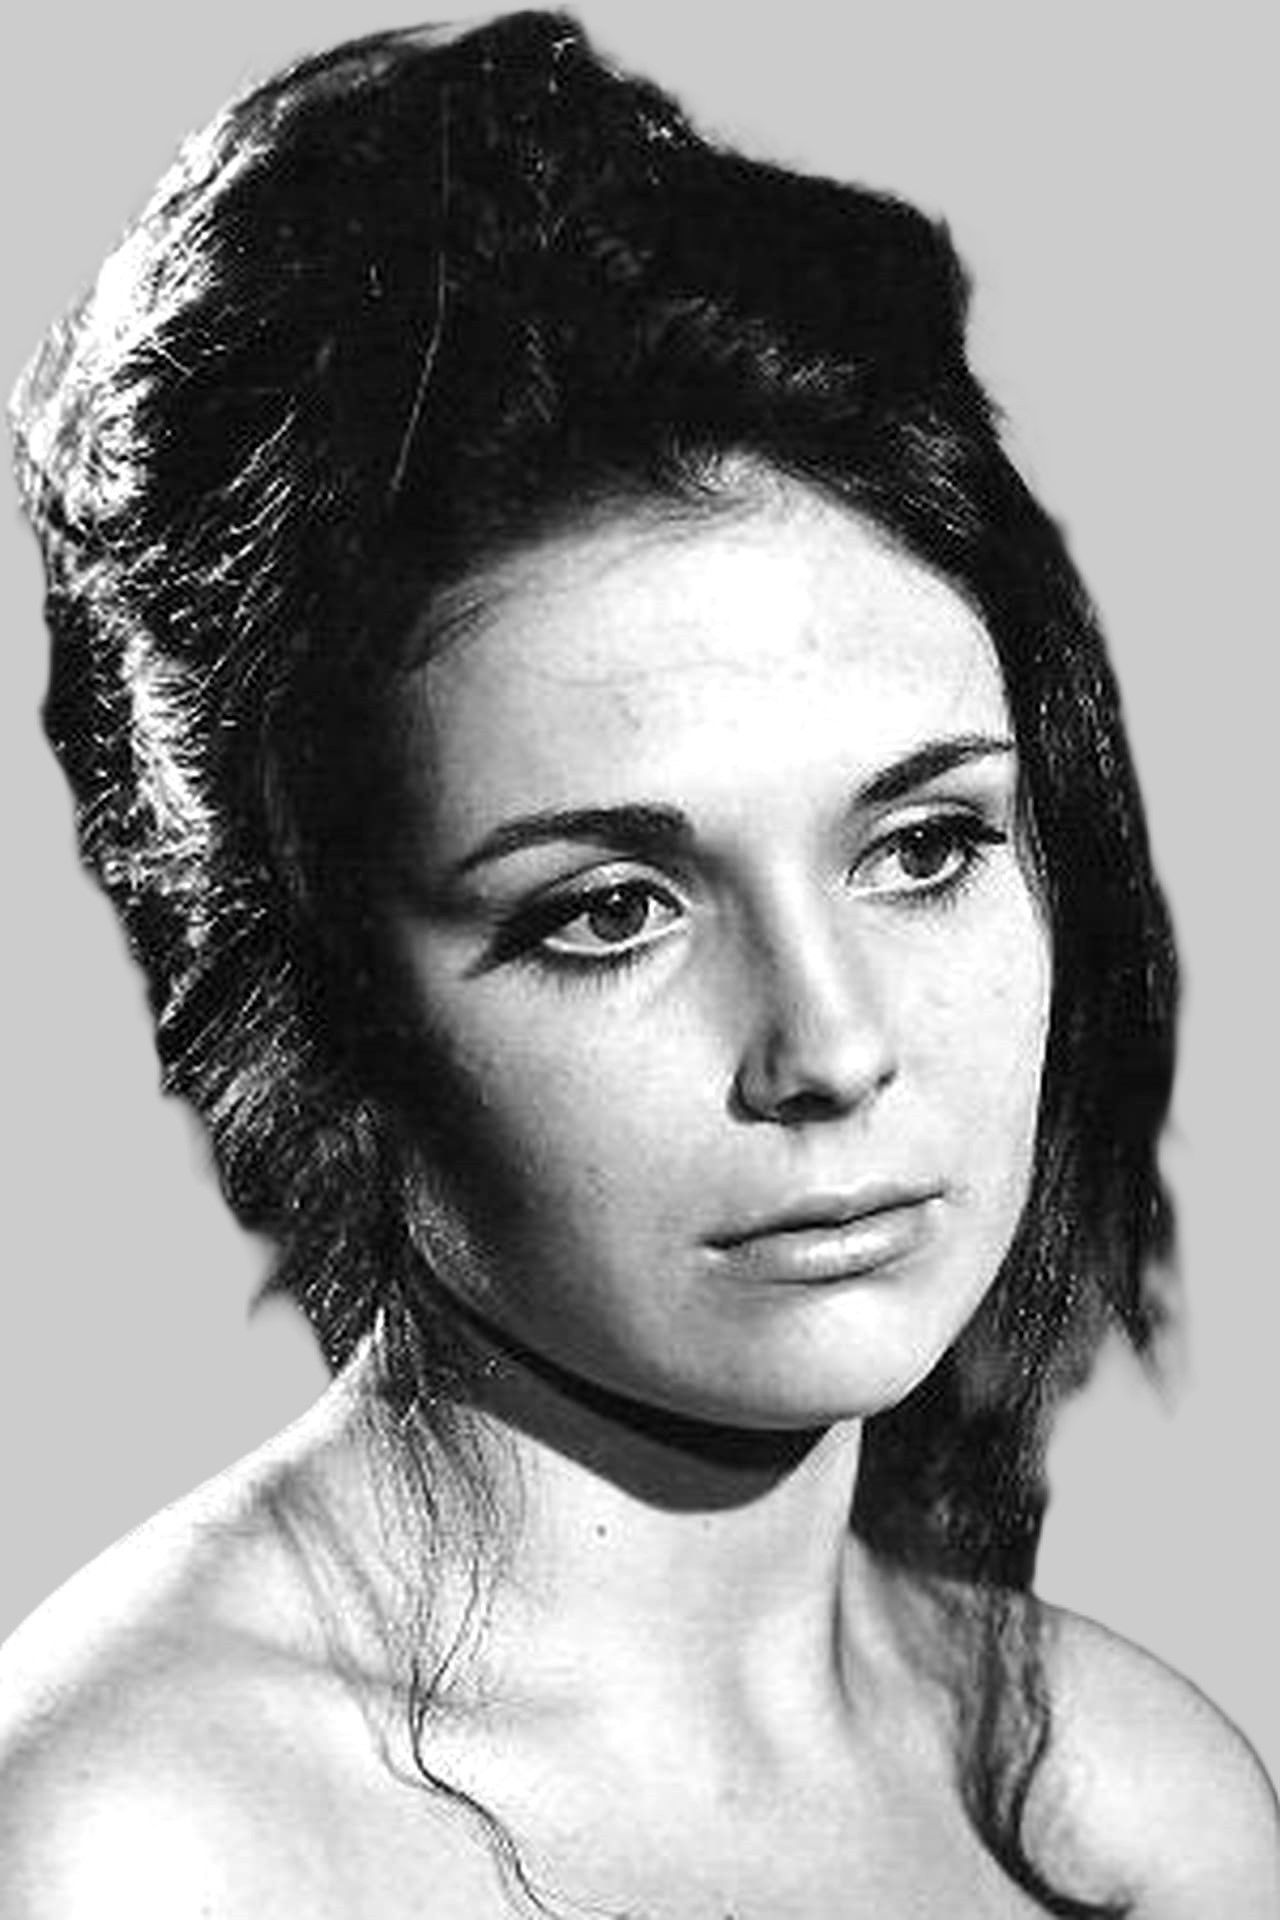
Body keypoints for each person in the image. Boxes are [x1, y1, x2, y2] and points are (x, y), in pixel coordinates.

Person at [1, 12, 1275, 1915]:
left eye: (923, 850)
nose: (831, 1045)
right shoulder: (138, 1852)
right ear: (316, 989)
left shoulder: (1128, 1799)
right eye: (609, 911)